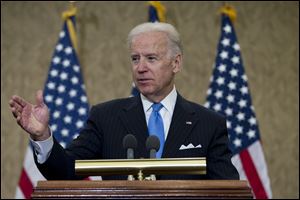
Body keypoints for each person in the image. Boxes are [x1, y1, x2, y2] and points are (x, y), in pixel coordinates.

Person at [9, 22, 239, 180]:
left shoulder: (209, 123)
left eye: (151, 58)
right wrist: (42, 136)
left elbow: (228, 190)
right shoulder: (106, 117)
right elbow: (65, 170)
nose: (140, 68)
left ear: (176, 63)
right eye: (135, 58)